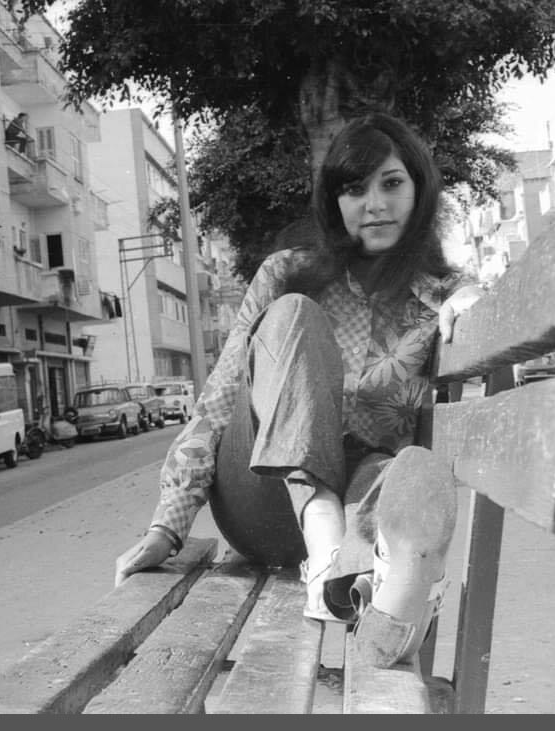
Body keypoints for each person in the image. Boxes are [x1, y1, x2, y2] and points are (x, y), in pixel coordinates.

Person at [113, 113, 483, 668]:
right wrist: (169, 522)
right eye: (354, 189)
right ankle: (331, 543)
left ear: (420, 189)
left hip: (365, 494)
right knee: (294, 316)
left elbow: (470, 303)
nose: (374, 204)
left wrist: (472, 300)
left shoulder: (440, 298)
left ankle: (382, 597)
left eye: (391, 183)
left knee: (402, 471)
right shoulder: (286, 273)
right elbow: (219, 399)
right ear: (334, 201)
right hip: (260, 498)